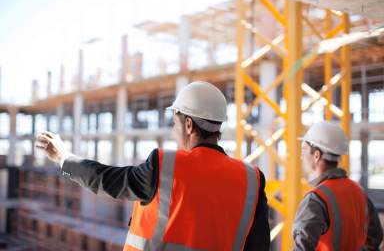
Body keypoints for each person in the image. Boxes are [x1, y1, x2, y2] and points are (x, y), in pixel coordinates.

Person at [36, 81, 270, 251]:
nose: (173, 130)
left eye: (174, 123)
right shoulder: (252, 180)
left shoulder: (165, 166)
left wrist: (63, 158)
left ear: (188, 125)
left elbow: (106, 179)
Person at [293, 121, 383, 250]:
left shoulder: (316, 199)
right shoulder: (359, 192)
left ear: (316, 155)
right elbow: (375, 237)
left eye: (304, 150)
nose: (301, 157)